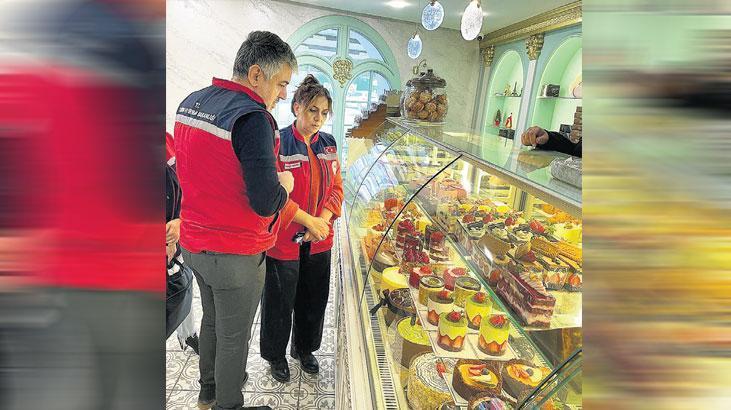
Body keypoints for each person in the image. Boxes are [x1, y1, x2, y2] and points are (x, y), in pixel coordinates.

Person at [174, 31, 300, 410]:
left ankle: (208, 392)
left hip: (194, 245)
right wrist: (286, 184)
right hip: (234, 254)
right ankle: (228, 404)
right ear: (257, 74)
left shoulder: (192, 103)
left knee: (213, 321)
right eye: (281, 84)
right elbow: (265, 202)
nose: (283, 95)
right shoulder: (253, 118)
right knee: (234, 336)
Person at [260, 75, 343, 383]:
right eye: (312, 110)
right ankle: (275, 355)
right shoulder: (279, 142)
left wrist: (322, 221)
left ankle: (305, 348)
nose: (318, 118)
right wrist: (309, 221)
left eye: (324, 113)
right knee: (279, 301)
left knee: (314, 298)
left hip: (319, 239)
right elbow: (274, 194)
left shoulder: (329, 143)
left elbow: (336, 188)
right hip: (284, 239)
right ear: (297, 108)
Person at [165, 132, 199, 354]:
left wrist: (180, 219)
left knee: (181, 283)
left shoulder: (167, 140)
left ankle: (188, 335)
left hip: (173, 235)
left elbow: (186, 182)